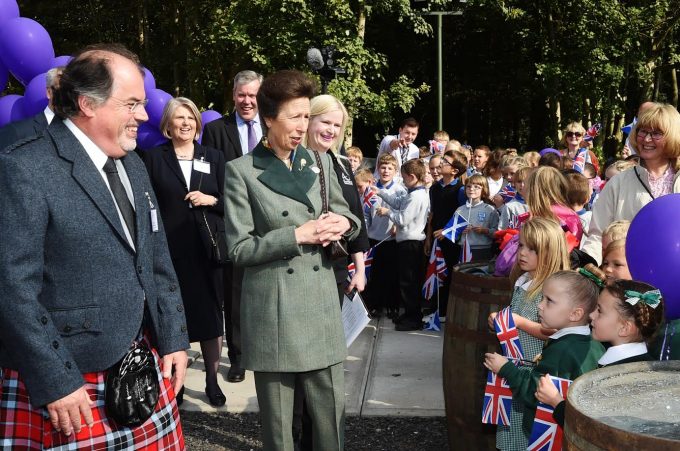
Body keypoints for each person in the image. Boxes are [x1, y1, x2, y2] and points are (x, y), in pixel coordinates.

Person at [0, 43, 189, 449]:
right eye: (132, 104)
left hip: (142, 365)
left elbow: (157, 257)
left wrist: (174, 336)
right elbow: (11, 288)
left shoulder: (132, 163)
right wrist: (55, 380)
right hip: (70, 384)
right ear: (88, 104)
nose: (144, 114)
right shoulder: (24, 167)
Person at [223, 70, 360, 451]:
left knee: (331, 425)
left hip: (320, 310)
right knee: (280, 433)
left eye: (305, 116)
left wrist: (341, 222)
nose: (303, 126)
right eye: (294, 117)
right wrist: (296, 236)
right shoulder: (241, 172)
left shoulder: (321, 162)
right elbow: (237, 250)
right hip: (275, 317)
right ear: (268, 118)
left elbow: (351, 216)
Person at [141, 97, 226, 407]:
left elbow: (234, 202)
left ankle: (212, 381)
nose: (186, 123)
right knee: (174, 319)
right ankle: (175, 385)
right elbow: (146, 204)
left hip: (207, 250)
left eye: (190, 117)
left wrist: (212, 200)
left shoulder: (214, 157)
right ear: (168, 125)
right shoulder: (153, 158)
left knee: (211, 320)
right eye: (179, 118)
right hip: (169, 252)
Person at [484, 269, 605, 438]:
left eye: (549, 301)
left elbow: (534, 392)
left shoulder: (563, 350)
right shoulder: (592, 344)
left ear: (575, 313)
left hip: (551, 437)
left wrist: (505, 368)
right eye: (542, 298)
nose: (540, 305)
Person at [537, 271, 664, 427]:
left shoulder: (619, 377)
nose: (591, 315)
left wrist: (556, 401)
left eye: (600, 311)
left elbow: (592, 429)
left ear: (624, 328)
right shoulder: (638, 365)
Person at [203, 70, 265, 384]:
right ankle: (238, 357)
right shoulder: (215, 130)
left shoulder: (273, 125)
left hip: (271, 224)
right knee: (235, 293)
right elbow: (210, 178)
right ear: (233, 95)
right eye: (242, 95)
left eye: (253, 95)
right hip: (232, 224)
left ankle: (267, 351)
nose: (247, 101)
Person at [488, 217, 570, 450]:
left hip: (533, 369)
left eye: (532, 249)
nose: (523, 252)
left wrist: (519, 322)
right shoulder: (524, 280)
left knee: (527, 426)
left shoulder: (551, 288)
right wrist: (501, 320)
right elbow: (516, 315)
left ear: (550, 252)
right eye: (521, 245)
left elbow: (553, 331)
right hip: (516, 364)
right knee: (511, 422)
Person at [581, 103, 680, 264]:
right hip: (629, 279)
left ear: (672, 136)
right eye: (643, 131)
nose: (647, 139)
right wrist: (587, 262)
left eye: (656, 133)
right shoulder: (618, 183)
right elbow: (598, 235)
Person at [374, 159, 430, 331]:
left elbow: (403, 219)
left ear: (412, 177)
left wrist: (387, 212)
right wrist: (380, 192)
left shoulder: (416, 196)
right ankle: (408, 314)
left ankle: (413, 318)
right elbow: (399, 203)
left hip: (411, 243)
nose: (403, 181)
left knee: (409, 282)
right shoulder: (412, 193)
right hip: (406, 242)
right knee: (405, 280)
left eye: (404, 178)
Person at [363, 154, 405, 318]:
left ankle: (392, 306)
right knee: (374, 274)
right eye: (383, 167)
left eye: (390, 168)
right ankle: (375, 306)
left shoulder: (400, 190)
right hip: (373, 236)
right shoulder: (370, 188)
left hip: (390, 238)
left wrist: (396, 225)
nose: (386, 171)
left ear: (395, 171)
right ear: (378, 169)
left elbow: (402, 211)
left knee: (391, 274)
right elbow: (366, 212)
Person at [426, 151, 467, 315]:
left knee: (448, 274)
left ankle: (445, 310)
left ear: (454, 171)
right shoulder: (434, 188)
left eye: (445, 161)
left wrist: (448, 231)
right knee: (435, 272)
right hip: (436, 239)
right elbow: (432, 215)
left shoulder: (461, 190)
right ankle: (435, 308)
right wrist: (429, 238)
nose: (441, 163)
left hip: (452, 242)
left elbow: (465, 215)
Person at [0, 66, 63, 150]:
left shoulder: (81, 132)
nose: (69, 95)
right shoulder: (16, 132)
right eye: (62, 90)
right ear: (49, 92)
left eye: (73, 91)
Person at [454, 174, 499, 262]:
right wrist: (460, 231)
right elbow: (453, 234)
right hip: (463, 249)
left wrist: (485, 231)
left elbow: (497, 232)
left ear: (484, 190)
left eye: (476, 187)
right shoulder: (459, 210)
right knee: (463, 275)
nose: (471, 189)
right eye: (468, 186)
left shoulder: (490, 209)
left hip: (483, 250)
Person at [374, 117, 420, 182]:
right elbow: (391, 144)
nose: (410, 137)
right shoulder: (388, 139)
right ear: (400, 130)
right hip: (382, 183)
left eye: (413, 134)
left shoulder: (415, 150)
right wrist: (398, 143)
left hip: (403, 186)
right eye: (407, 132)